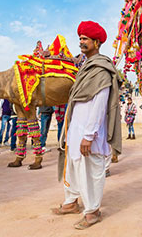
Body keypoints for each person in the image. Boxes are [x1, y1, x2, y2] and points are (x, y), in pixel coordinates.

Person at [52, 21, 122, 230]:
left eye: (85, 39)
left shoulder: (100, 69)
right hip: (75, 129)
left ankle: (92, 212)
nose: (81, 42)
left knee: (91, 170)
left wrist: (89, 135)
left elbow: (100, 104)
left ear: (97, 42)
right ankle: (71, 202)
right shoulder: (85, 68)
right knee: (73, 166)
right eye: (80, 38)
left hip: (89, 132)